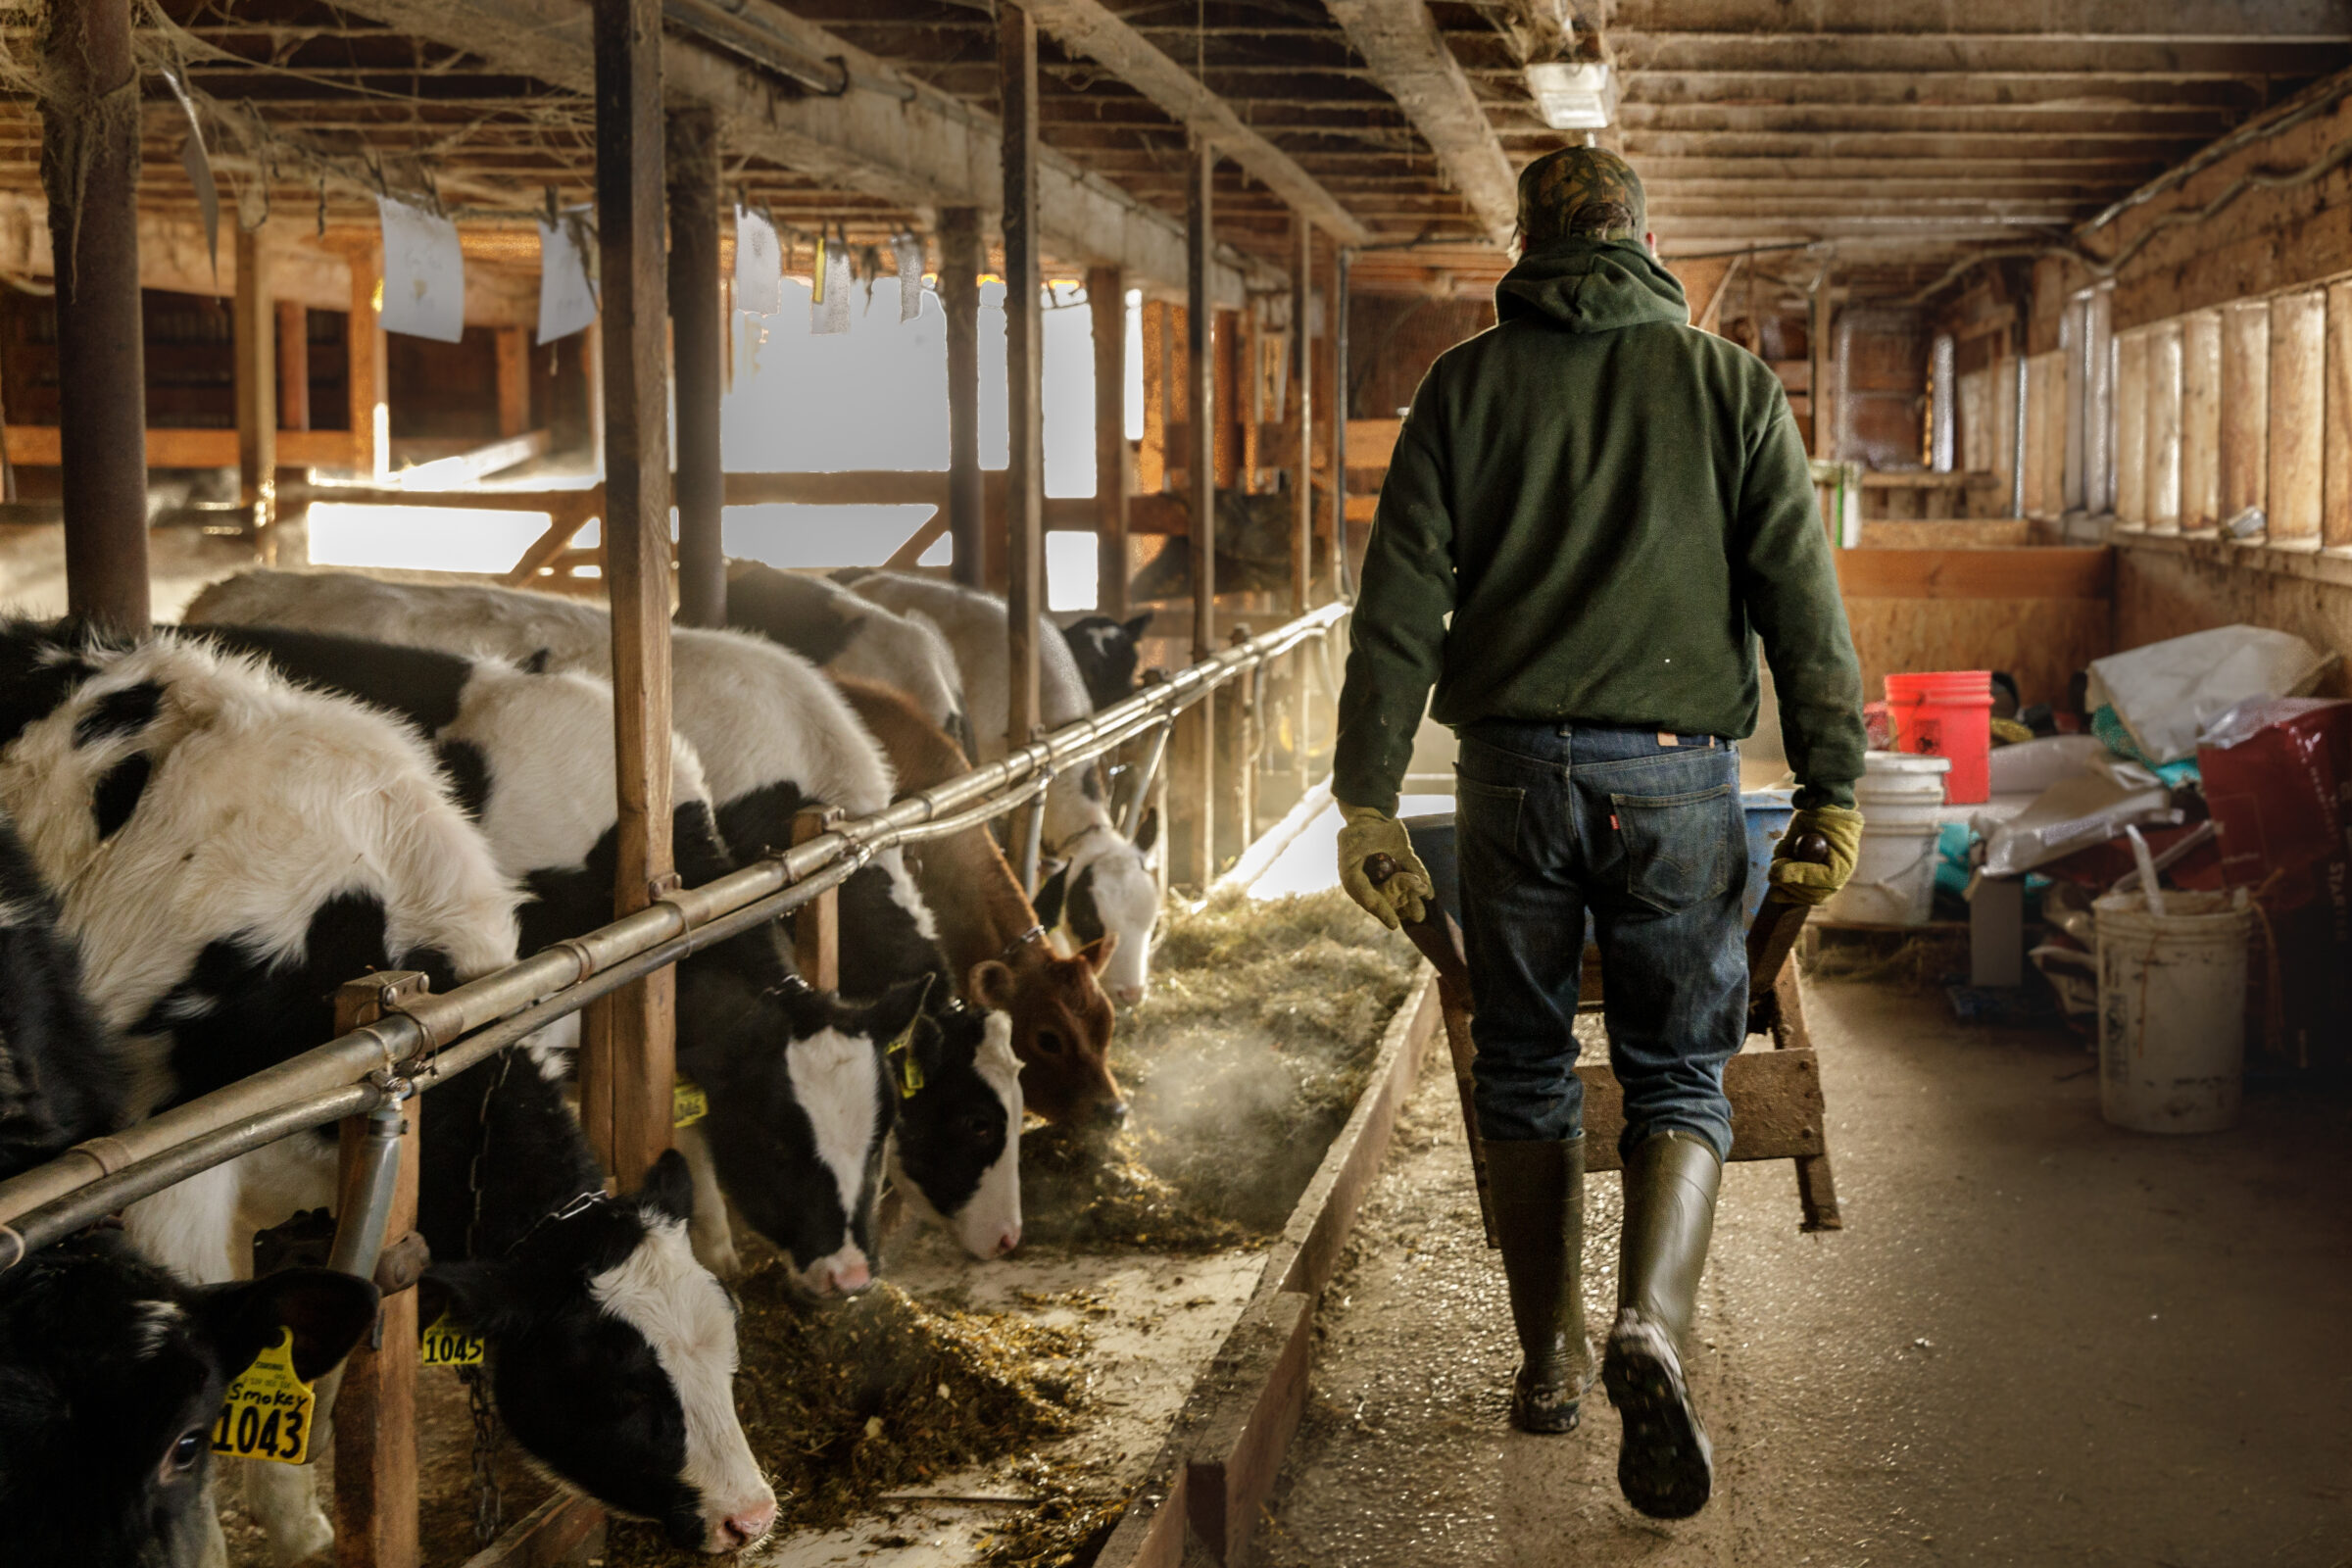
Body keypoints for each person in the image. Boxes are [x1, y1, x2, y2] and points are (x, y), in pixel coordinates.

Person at [1330, 146, 1866, 1521]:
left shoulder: (1461, 388)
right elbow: (1805, 607)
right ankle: (1651, 1328)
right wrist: (1831, 786)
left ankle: (1551, 1366)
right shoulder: (1728, 384)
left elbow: (1397, 610)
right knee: (1680, 1072)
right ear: (1638, 237)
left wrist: (1370, 796)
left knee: (1522, 1071)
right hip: (1678, 780)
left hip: (1507, 778)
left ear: (1529, 238)